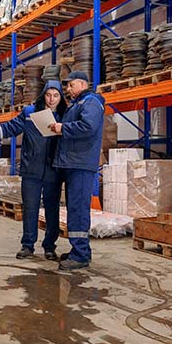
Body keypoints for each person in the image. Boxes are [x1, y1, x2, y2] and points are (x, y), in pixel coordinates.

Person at [0, 80, 67, 260]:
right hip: (31, 169)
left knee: (52, 210)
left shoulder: (65, 115)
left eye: (56, 96)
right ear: (43, 95)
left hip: (53, 170)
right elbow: (11, 127)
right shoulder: (30, 113)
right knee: (30, 208)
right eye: (48, 95)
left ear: (60, 97)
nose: (51, 99)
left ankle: (49, 246)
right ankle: (28, 245)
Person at [49, 70, 105, 271]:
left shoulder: (91, 102)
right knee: (74, 208)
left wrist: (62, 128)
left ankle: (80, 255)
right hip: (73, 163)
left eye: (71, 85)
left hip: (81, 164)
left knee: (79, 210)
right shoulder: (78, 103)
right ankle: (79, 251)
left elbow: (88, 127)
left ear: (82, 84)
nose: (68, 89)